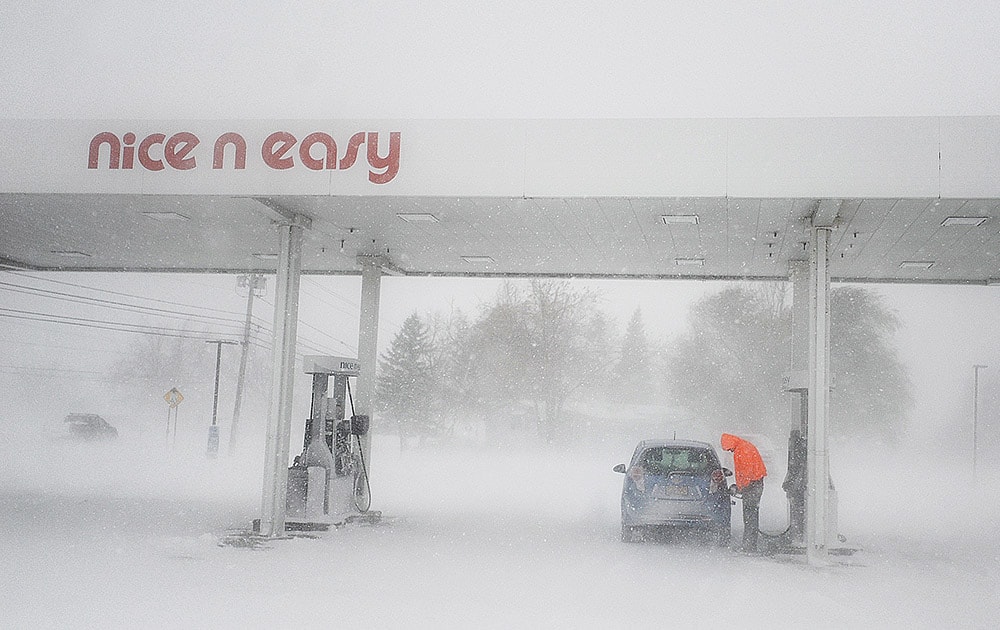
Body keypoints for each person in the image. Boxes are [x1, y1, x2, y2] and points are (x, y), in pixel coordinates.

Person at [720, 433, 767, 553]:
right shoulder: (743, 447)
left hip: (753, 485)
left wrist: (741, 488)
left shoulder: (742, 450)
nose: (729, 451)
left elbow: (746, 473)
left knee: (749, 515)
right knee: (751, 515)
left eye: (729, 449)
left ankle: (749, 546)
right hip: (754, 484)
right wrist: (741, 486)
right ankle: (750, 544)